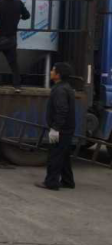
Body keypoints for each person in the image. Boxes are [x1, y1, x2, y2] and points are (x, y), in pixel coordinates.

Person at [35, 62, 76, 191]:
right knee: (63, 155)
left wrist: (55, 128)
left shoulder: (60, 90)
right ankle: (68, 181)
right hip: (67, 128)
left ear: (58, 74)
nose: (51, 72)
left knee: (55, 156)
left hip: (62, 129)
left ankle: (51, 182)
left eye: (53, 70)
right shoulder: (65, 87)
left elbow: (62, 110)